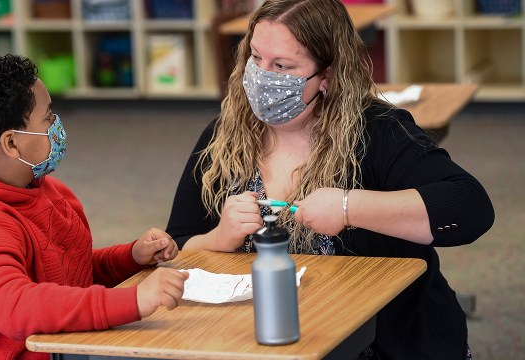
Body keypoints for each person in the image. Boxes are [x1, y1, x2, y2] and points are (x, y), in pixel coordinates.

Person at [165, 0, 494, 359]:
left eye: (282, 66)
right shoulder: (224, 136)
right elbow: (176, 251)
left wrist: (349, 207)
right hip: (261, 341)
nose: (262, 76)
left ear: (327, 76)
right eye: (255, 58)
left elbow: (469, 208)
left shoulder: (375, 132)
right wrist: (219, 237)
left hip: (384, 343)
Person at [0, 54, 188, 360]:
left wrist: (130, 257)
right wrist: (134, 300)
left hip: (59, 342)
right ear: (11, 144)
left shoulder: (38, 187)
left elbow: (69, 279)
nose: (56, 125)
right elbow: (15, 307)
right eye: (48, 117)